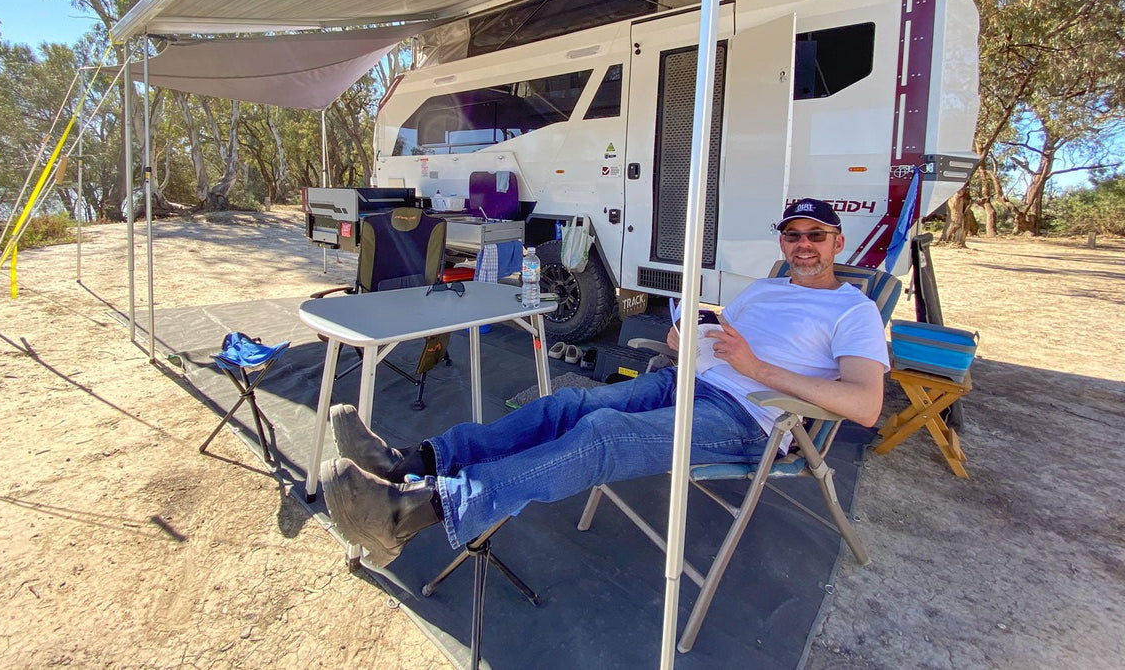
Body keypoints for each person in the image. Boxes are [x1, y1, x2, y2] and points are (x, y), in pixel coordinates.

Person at [321, 198, 889, 567]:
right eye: (793, 235)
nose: (804, 244)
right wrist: (687, 338)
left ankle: (409, 514)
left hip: (751, 418)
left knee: (604, 435)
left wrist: (755, 369)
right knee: (565, 405)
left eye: (817, 234)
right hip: (687, 381)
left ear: (839, 242)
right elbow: (725, 332)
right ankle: (412, 462)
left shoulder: (852, 310)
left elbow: (864, 405)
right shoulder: (765, 289)